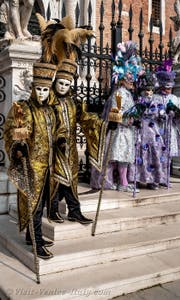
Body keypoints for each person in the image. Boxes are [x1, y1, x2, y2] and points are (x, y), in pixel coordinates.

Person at [3, 62, 65, 259]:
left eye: (45, 90)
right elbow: (11, 130)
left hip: (49, 165)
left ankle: (32, 235)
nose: (41, 93)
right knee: (34, 205)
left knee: (44, 202)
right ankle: (37, 242)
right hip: (31, 166)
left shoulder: (50, 111)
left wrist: (61, 139)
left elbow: (58, 129)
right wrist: (17, 145)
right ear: (32, 89)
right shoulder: (22, 108)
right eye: (38, 89)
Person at [49, 59, 108, 223]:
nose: (62, 87)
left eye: (66, 84)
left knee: (71, 180)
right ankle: (53, 210)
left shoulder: (74, 103)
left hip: (71, 150)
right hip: (54, 149)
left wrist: (104, 124)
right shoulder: (49, 102)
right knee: (56, 178)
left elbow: (86, 119)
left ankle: (75, 211)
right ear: (55, 83)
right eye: (60, 83)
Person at [90, 41, 143, 192]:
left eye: (132, 77)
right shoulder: (119, 93)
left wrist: (135, 118)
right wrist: (125, 119)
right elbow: (116, 110)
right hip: (119, 130)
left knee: (124, 156)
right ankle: (119, 182)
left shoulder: (128, 93)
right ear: (122, 79)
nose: (131, 80)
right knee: (117, 156)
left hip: (127, 130)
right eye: (128, 78)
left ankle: (124, 182)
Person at [152, 59, 180, 186]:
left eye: (170, 88)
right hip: (157, 129)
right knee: (157, 153)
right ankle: (156, 178)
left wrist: (174, 115)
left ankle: (165, 178)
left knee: (168, 155)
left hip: (170, 129)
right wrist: (158, 115)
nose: (168, 90)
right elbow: (150, 113)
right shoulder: (155, 98)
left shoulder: (175, 99)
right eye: (166, 87)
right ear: (162, 86)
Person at [134, 72, 168, 190]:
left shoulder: (158, 101)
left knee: (155, 152)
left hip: (154, 132)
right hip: (141, 130)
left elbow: (162, 115)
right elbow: (134, 115)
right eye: (146, 89)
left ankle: (154, 180)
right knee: (139, 153)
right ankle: (137, 178)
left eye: (151, 89)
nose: (148, 92)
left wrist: (164, 115)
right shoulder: (138, 101)